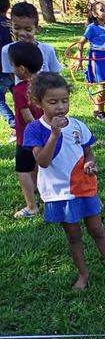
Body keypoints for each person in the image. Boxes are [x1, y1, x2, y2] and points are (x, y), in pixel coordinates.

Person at [23, 73, 105, 290]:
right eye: (53, 102)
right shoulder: (35, 129)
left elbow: (88, 153)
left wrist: (89, 164)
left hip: (84, 187)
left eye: (65, 100)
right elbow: (42, 162)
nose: (60, 107)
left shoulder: (78, 126)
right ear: (38, 102)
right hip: (59, 192)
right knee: (73, 235)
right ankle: (83, 274)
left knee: (98, 230)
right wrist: (54, 135)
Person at [10, 41, 44, 218]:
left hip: (26, 138)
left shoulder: (19, 90)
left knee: (22, 170)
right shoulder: (43, 84)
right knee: (37, 165)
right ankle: (40, 191)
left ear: (21, 69)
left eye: (12, 65)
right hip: (44, 135)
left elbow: (27, 117)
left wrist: (36, 133)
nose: (12, 68)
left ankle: (31, 207)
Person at [1, 2, 63, 84]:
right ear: (11, 26)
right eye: (17, 28)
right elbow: (12, 76)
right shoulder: (7, 50)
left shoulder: (47, 50)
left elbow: (55, 75)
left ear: (37, 28)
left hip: (46, 95)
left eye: (28, 29)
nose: (22, 33)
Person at [75, 1, 105, 121]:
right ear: (95, 14)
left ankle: (100, 110)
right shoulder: (92, 28)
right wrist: (79, 60)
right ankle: (98, 111)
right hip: (96, 57)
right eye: (102, 10)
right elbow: (81, 43)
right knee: (102, 84)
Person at [0, 0, 15, 140]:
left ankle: (14, 124)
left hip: (1, 69)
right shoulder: (12, 24)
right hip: (17, 67)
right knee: (20, 95)